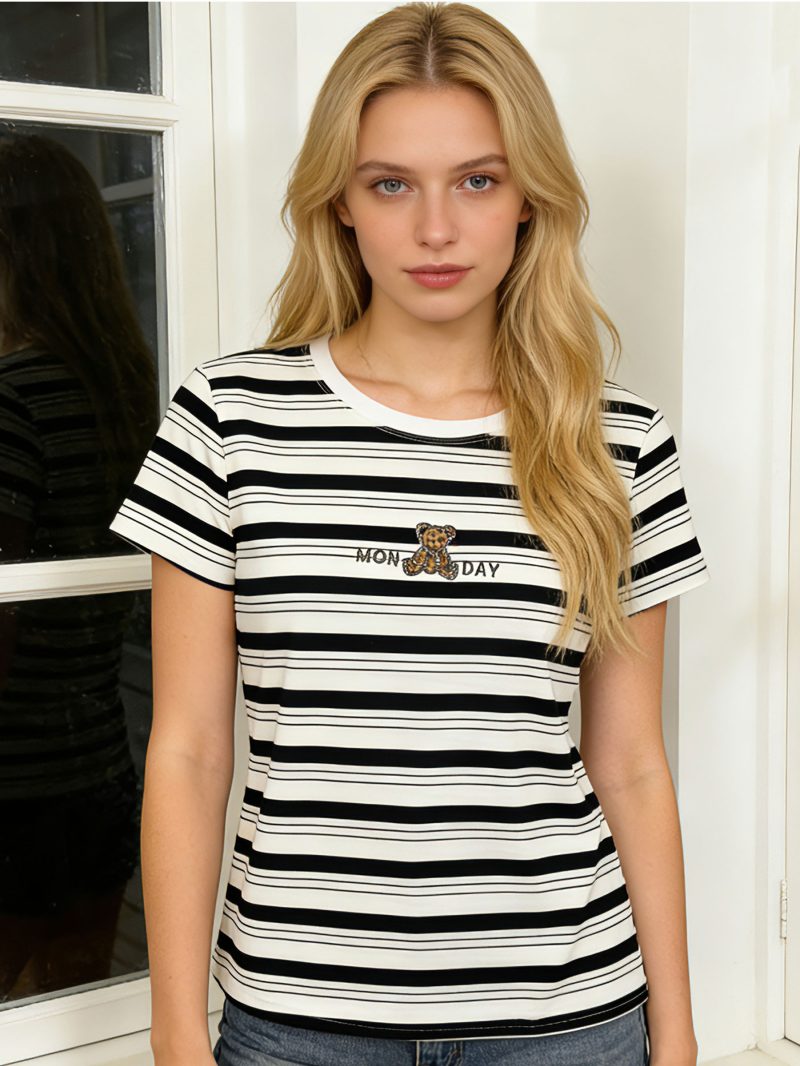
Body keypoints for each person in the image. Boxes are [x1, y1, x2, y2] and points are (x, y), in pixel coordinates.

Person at [108, 3, 710, 1065]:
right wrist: (174, 1032)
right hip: (297, 1026)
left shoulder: (618, 444)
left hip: (567, 1024)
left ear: (530, 198)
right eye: (391, 184)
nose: (436, 229)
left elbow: (629, 762)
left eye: (476, 180)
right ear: (338, 202)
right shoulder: (230, 419)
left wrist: (679, 1034)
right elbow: (189, 751)